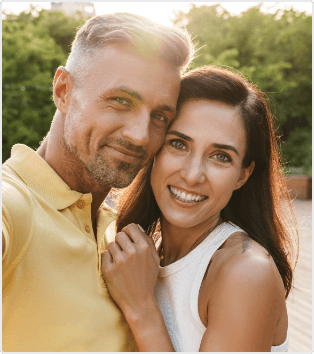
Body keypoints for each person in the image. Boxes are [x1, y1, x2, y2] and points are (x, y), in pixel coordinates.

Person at [2, 13, 194, 352]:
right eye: (121, 101)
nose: (140, 135)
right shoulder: (13, 205)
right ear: (63, 91)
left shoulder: (118, 231)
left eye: (160, 116)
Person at [101, 66, 299, 351]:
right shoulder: (142, 255)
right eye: (179, 144)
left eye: (220, 156)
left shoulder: (246, 272)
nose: (193, 175)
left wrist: (142, 309)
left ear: (243, 174)